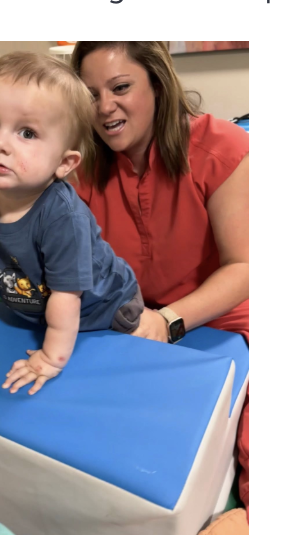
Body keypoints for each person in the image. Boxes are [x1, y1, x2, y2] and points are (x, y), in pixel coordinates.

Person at [71, 41, 249, 526]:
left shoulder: (220, 147)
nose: (104, 107)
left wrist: (168, 320)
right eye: (90, 94)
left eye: (120, 87)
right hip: (131, 315)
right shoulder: (81, 165)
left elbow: (245, 268)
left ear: (157, 84)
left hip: (225, 313)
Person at [0, 52, 144, 396]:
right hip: (42, 311)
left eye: (27, 132)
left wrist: (51, 359)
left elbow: (67, 297)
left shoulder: (63, 216)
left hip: (107, 308)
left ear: (64, 163)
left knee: (121, 383)